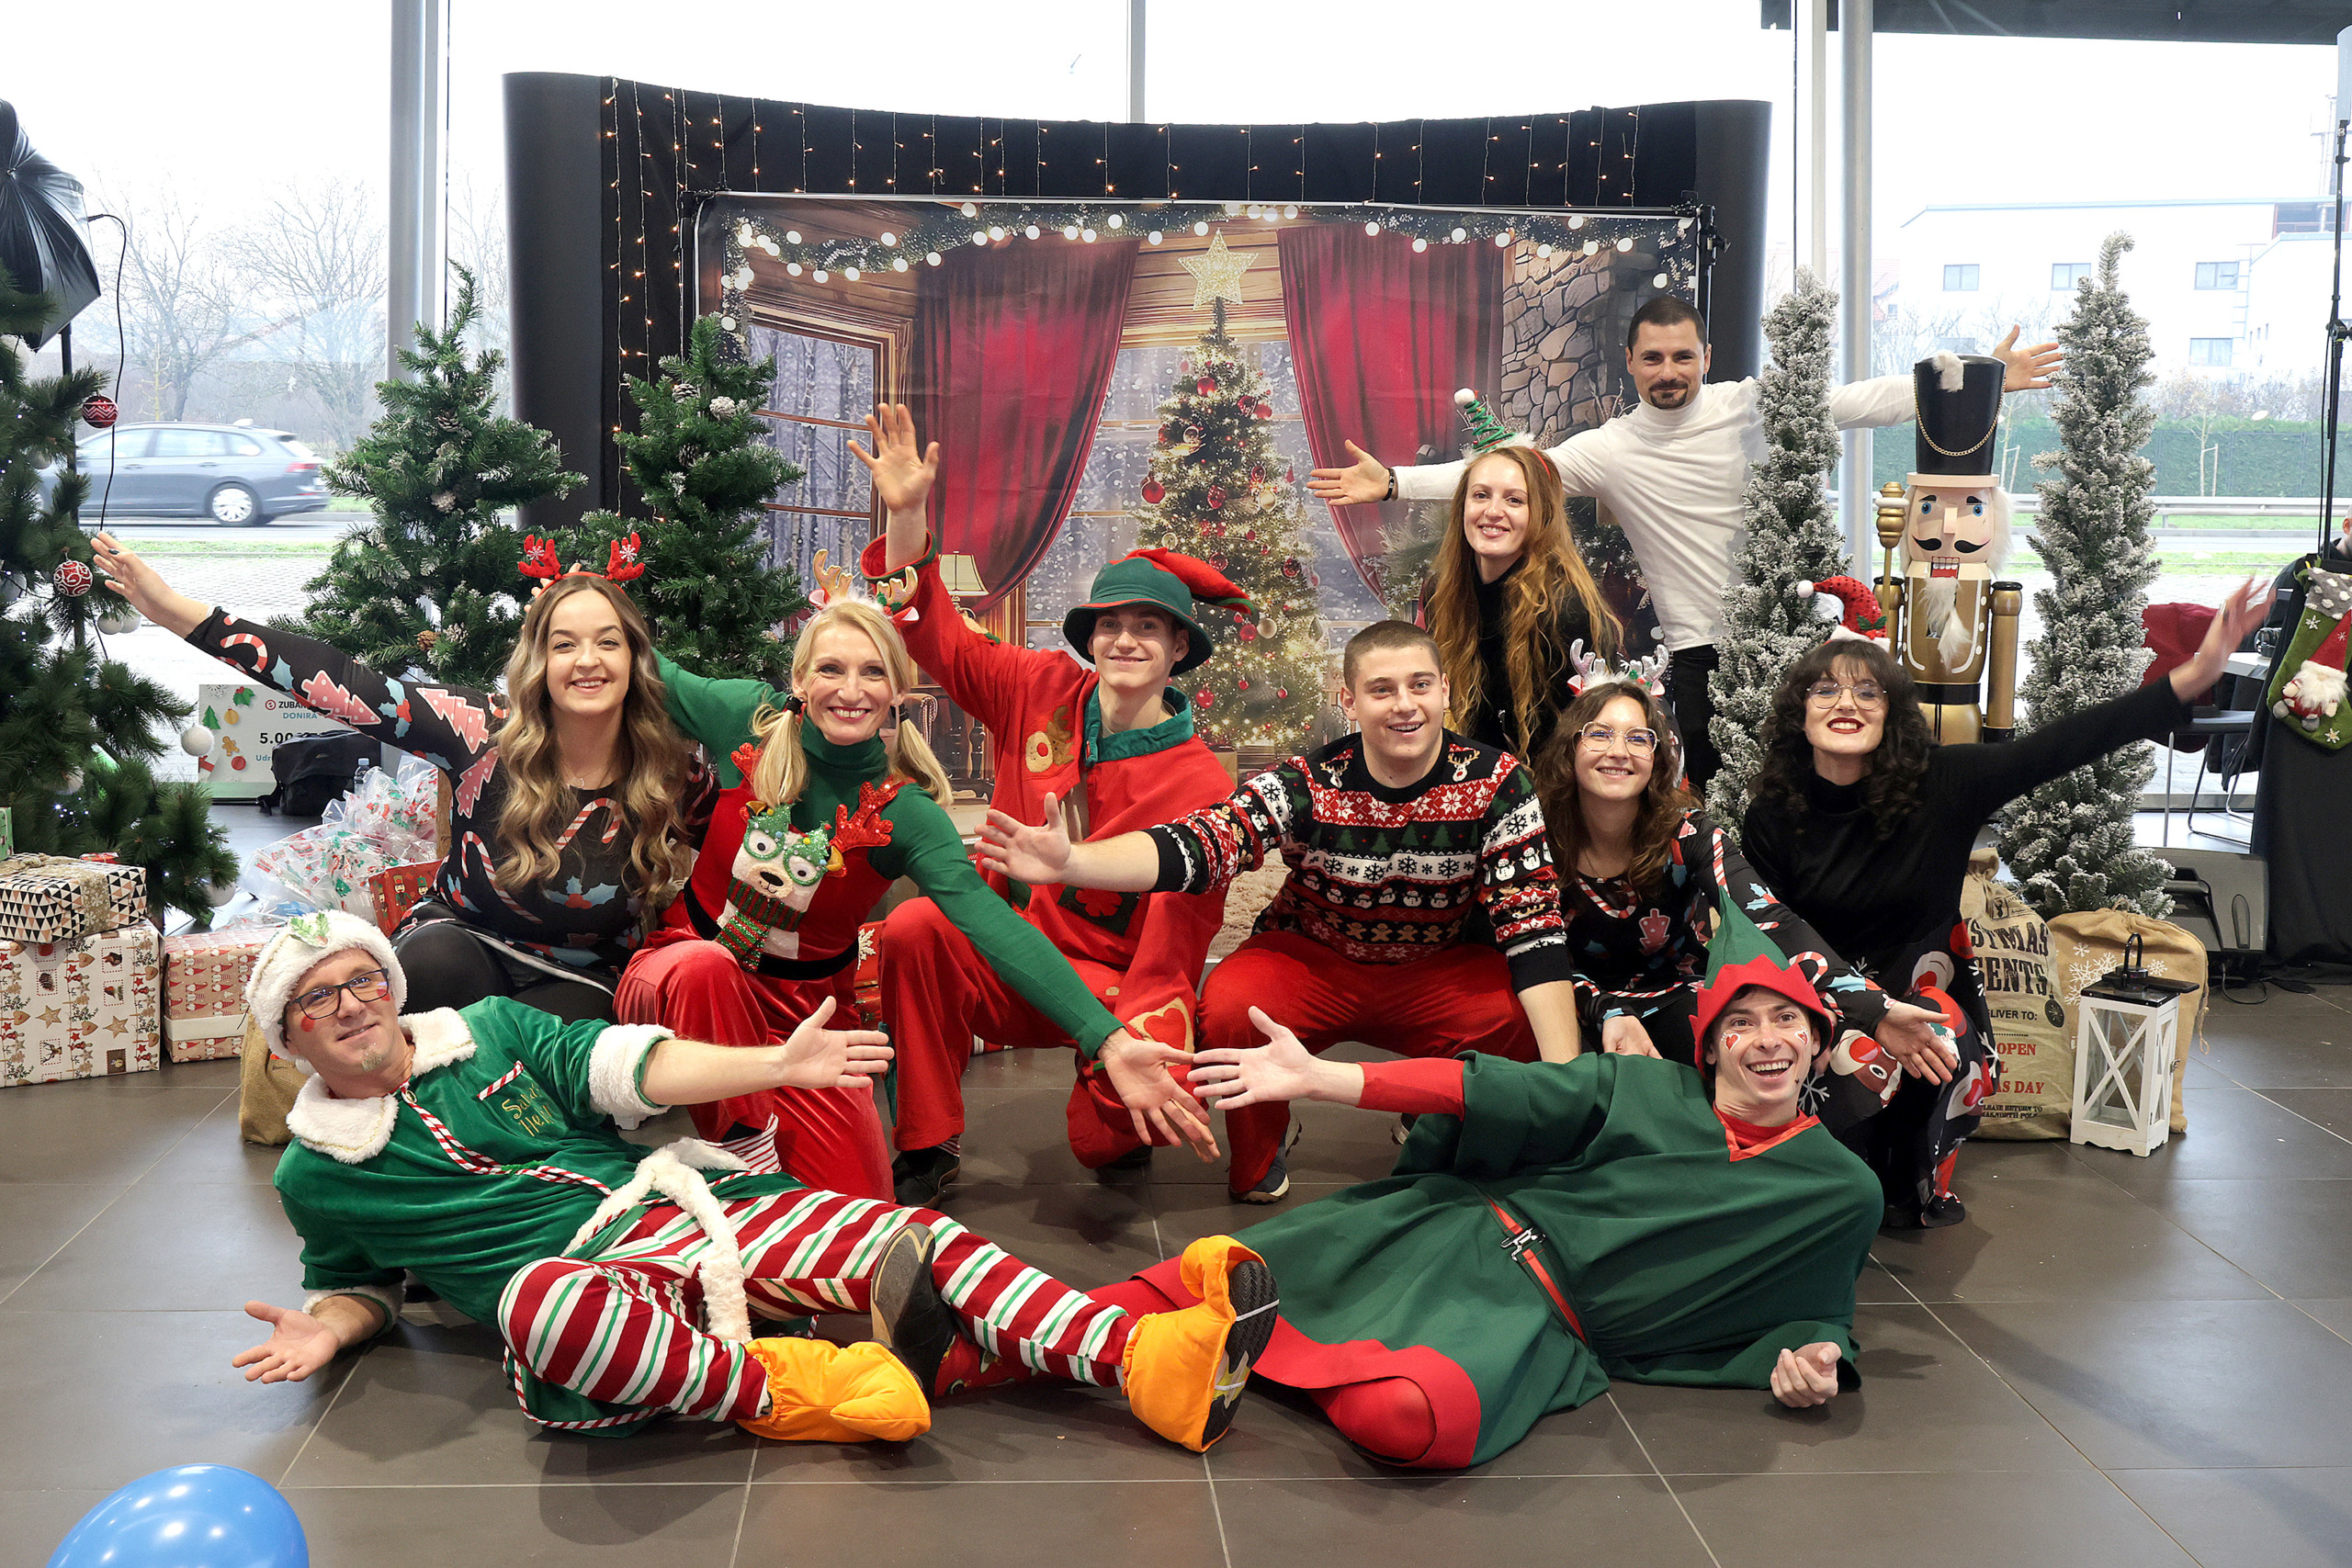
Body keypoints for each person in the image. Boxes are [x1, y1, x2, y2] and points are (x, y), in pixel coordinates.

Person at [231, 909, 1275, 1452]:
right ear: (288, 1042)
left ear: (390, 984)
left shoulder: (491, 1028)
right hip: (599, 1308)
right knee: (538, 1301)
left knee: (910, 1236)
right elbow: (358, 1278)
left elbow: (628, 1065)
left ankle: (1147, 1359)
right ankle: (784, 1389)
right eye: (318, 1000)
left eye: (361, 979)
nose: (351, 1005)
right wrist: (329, 1327)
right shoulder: (318, 1175)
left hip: (690, 1211)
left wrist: (773, 1064)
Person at [1085, 908, 1882, 1469]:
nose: (1767, 1039)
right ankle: (1037, 1334)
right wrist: (1323, 1078)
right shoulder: (1638, 1084)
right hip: (1444, 1230)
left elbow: (1819, 1309)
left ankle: (1230, 1355)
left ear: (1817, 1042)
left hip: (1529, 1319)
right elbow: (1485, 1090)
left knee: (1411, 1421)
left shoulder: (1842, 1190)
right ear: (1710, 1047)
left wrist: (1817, 1357)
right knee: (1144, 1293)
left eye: (1788, 1020)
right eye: (1741, 1022)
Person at [1307, 298, 2063, 788]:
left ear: (1705, 356)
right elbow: (1508, 473)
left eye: (1682, 356)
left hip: (1787, 630)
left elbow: (1859, 401)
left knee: (1821, 778)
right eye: (1652, 358)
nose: (1668, 371)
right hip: (1697, 652)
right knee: (1708, 785)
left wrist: (1987, 379)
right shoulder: (1611, 447)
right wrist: (1395, 482)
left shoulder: (1751, 405)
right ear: (1631, 363)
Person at [620, 598, 1215, 1203]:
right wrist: (582, 598)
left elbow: (988, 922)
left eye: (873, 672)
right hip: (679, 971)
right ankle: (746, 1155)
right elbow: (641, 665)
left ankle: (780, 1165)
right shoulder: (745, 719)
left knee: (862, 1206)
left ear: (898, 690)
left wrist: (1108, 1040)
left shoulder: (906, 814)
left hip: (806, 1018)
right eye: (830, 669)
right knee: (706, 969)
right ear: (799, 679)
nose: (851, 691)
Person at [978, 619, 1581, 1203]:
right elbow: (1203, 843)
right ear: (1349, 701)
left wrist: (1570, 1090)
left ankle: (1438, 1113)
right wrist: (1072, 862)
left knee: (1519, 1014)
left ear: (1444, 690)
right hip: (1312, 959)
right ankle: (1261, 1151)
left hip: (1435, 969)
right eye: (1381, 689)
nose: (1405, 705)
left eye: (1420, 685)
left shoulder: (1500, 782)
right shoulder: (1309, 780)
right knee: (1231, 1006)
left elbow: (1534, 930)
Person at [1741, 580, 2272, 1226]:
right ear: (1800, 715)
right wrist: (1851, 1013)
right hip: (1821, 997)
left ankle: (1898, 1176)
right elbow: (1768, 937)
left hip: (1927, 998)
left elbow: (2062, 744)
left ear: (1891, 714)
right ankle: (1829, 1176)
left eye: (1867, 691)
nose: (1845, 703)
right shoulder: (1773, 815)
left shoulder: (1944, 785)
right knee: (1816, 1073)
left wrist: (2196, 674)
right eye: (1825, 690)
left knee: (1924, 1043)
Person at [849, 404, 1239, 1205]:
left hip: (1109, 987)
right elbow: (937, 636)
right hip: (1010, 954)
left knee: (1108, 1140)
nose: (1125, 641)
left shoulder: (1204, 783)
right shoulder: (1038, 688)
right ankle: (927, 1139)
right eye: (1109, 625)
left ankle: (1112, 1105)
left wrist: (1133, 1047)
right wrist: (907, 513)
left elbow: (1176, 943)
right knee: (916, 925)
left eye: (1147, 627)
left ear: (1178, 649)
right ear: (1089, 639)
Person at [91, 530, 708, 1021]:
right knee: (437, 966)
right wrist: (176, 612)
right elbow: (340, 682)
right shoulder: (479, 728)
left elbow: (747, 846)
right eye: (565, 644)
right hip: (464, 944)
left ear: (636, 657)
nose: (588, 661)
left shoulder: (671, 769)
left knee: (558, 1052)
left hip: (584, 976)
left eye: (608, 643)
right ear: (539, 659)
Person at [1534, 676, 1949, 1097]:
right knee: (1586, 1084)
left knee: (1807, 1054)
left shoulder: (1688, 833)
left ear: (1657, 759)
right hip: (1567, 1002)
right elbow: (1533, 956)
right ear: (1571, 747)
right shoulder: (1535, 841)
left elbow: (1769, 918)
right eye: (1600, 734)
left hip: (1679, 997)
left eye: (1639, 738)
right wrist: (1605, 1009)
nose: (1619, 751)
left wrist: (1875, 1008)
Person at [1415, 434, 1624, 761]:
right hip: (1479, 773)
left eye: (1514, 500)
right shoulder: (1441, 592)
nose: (1493, 511)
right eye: (1481, 495)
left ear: (1540, 513)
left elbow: (1592, 734)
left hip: (1553, 777)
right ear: (1462, 507)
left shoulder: (1567, 607)